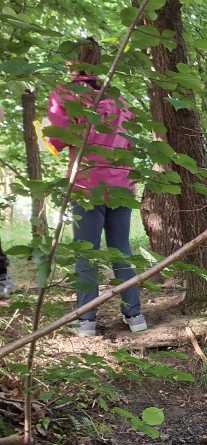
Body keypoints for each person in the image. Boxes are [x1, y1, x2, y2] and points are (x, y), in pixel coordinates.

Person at [47, 38, 147, 336]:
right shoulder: (117, 97)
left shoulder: (65, 93)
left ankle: (87, 321)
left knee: (86, 253)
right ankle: (135, 316)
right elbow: (131, 142)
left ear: (72, 61)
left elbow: (56, 140)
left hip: (86, 184)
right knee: (121, 250)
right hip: (122, 183)